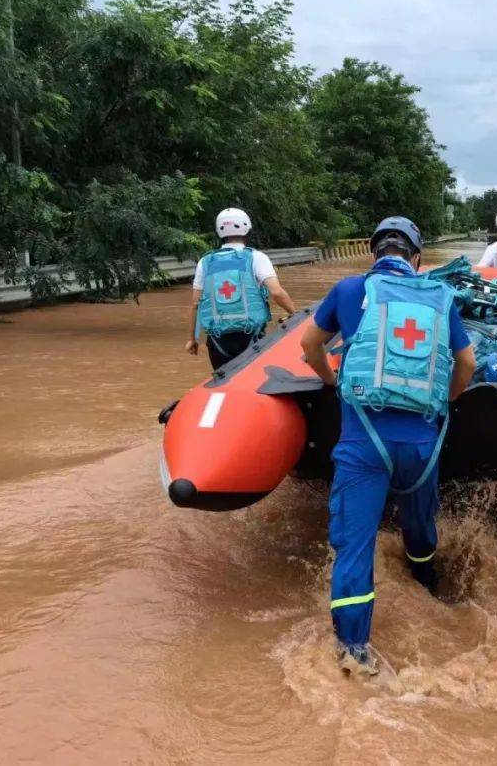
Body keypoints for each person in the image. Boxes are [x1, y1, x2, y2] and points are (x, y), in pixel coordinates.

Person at [300, 216, 476, 676]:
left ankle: (353, 651)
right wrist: (447, 401)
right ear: (416, 259)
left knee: (354, 548)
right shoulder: (441, 296)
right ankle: (425, 582)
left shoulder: (348, 290)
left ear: (373, 254)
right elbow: (467, 363)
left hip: (363, 444)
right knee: (419, 529)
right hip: (421, 445)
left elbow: (308, 344)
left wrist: (332, 381)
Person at [186, 207, 296, 369]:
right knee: (254, 385)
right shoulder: (256, 257)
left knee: (224, 384)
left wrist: (192, 339)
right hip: (253, 338)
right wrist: (295, 314)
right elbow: (276, 292)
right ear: (246, 228)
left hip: (217, 342)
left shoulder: (206, 262)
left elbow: (195, 304)